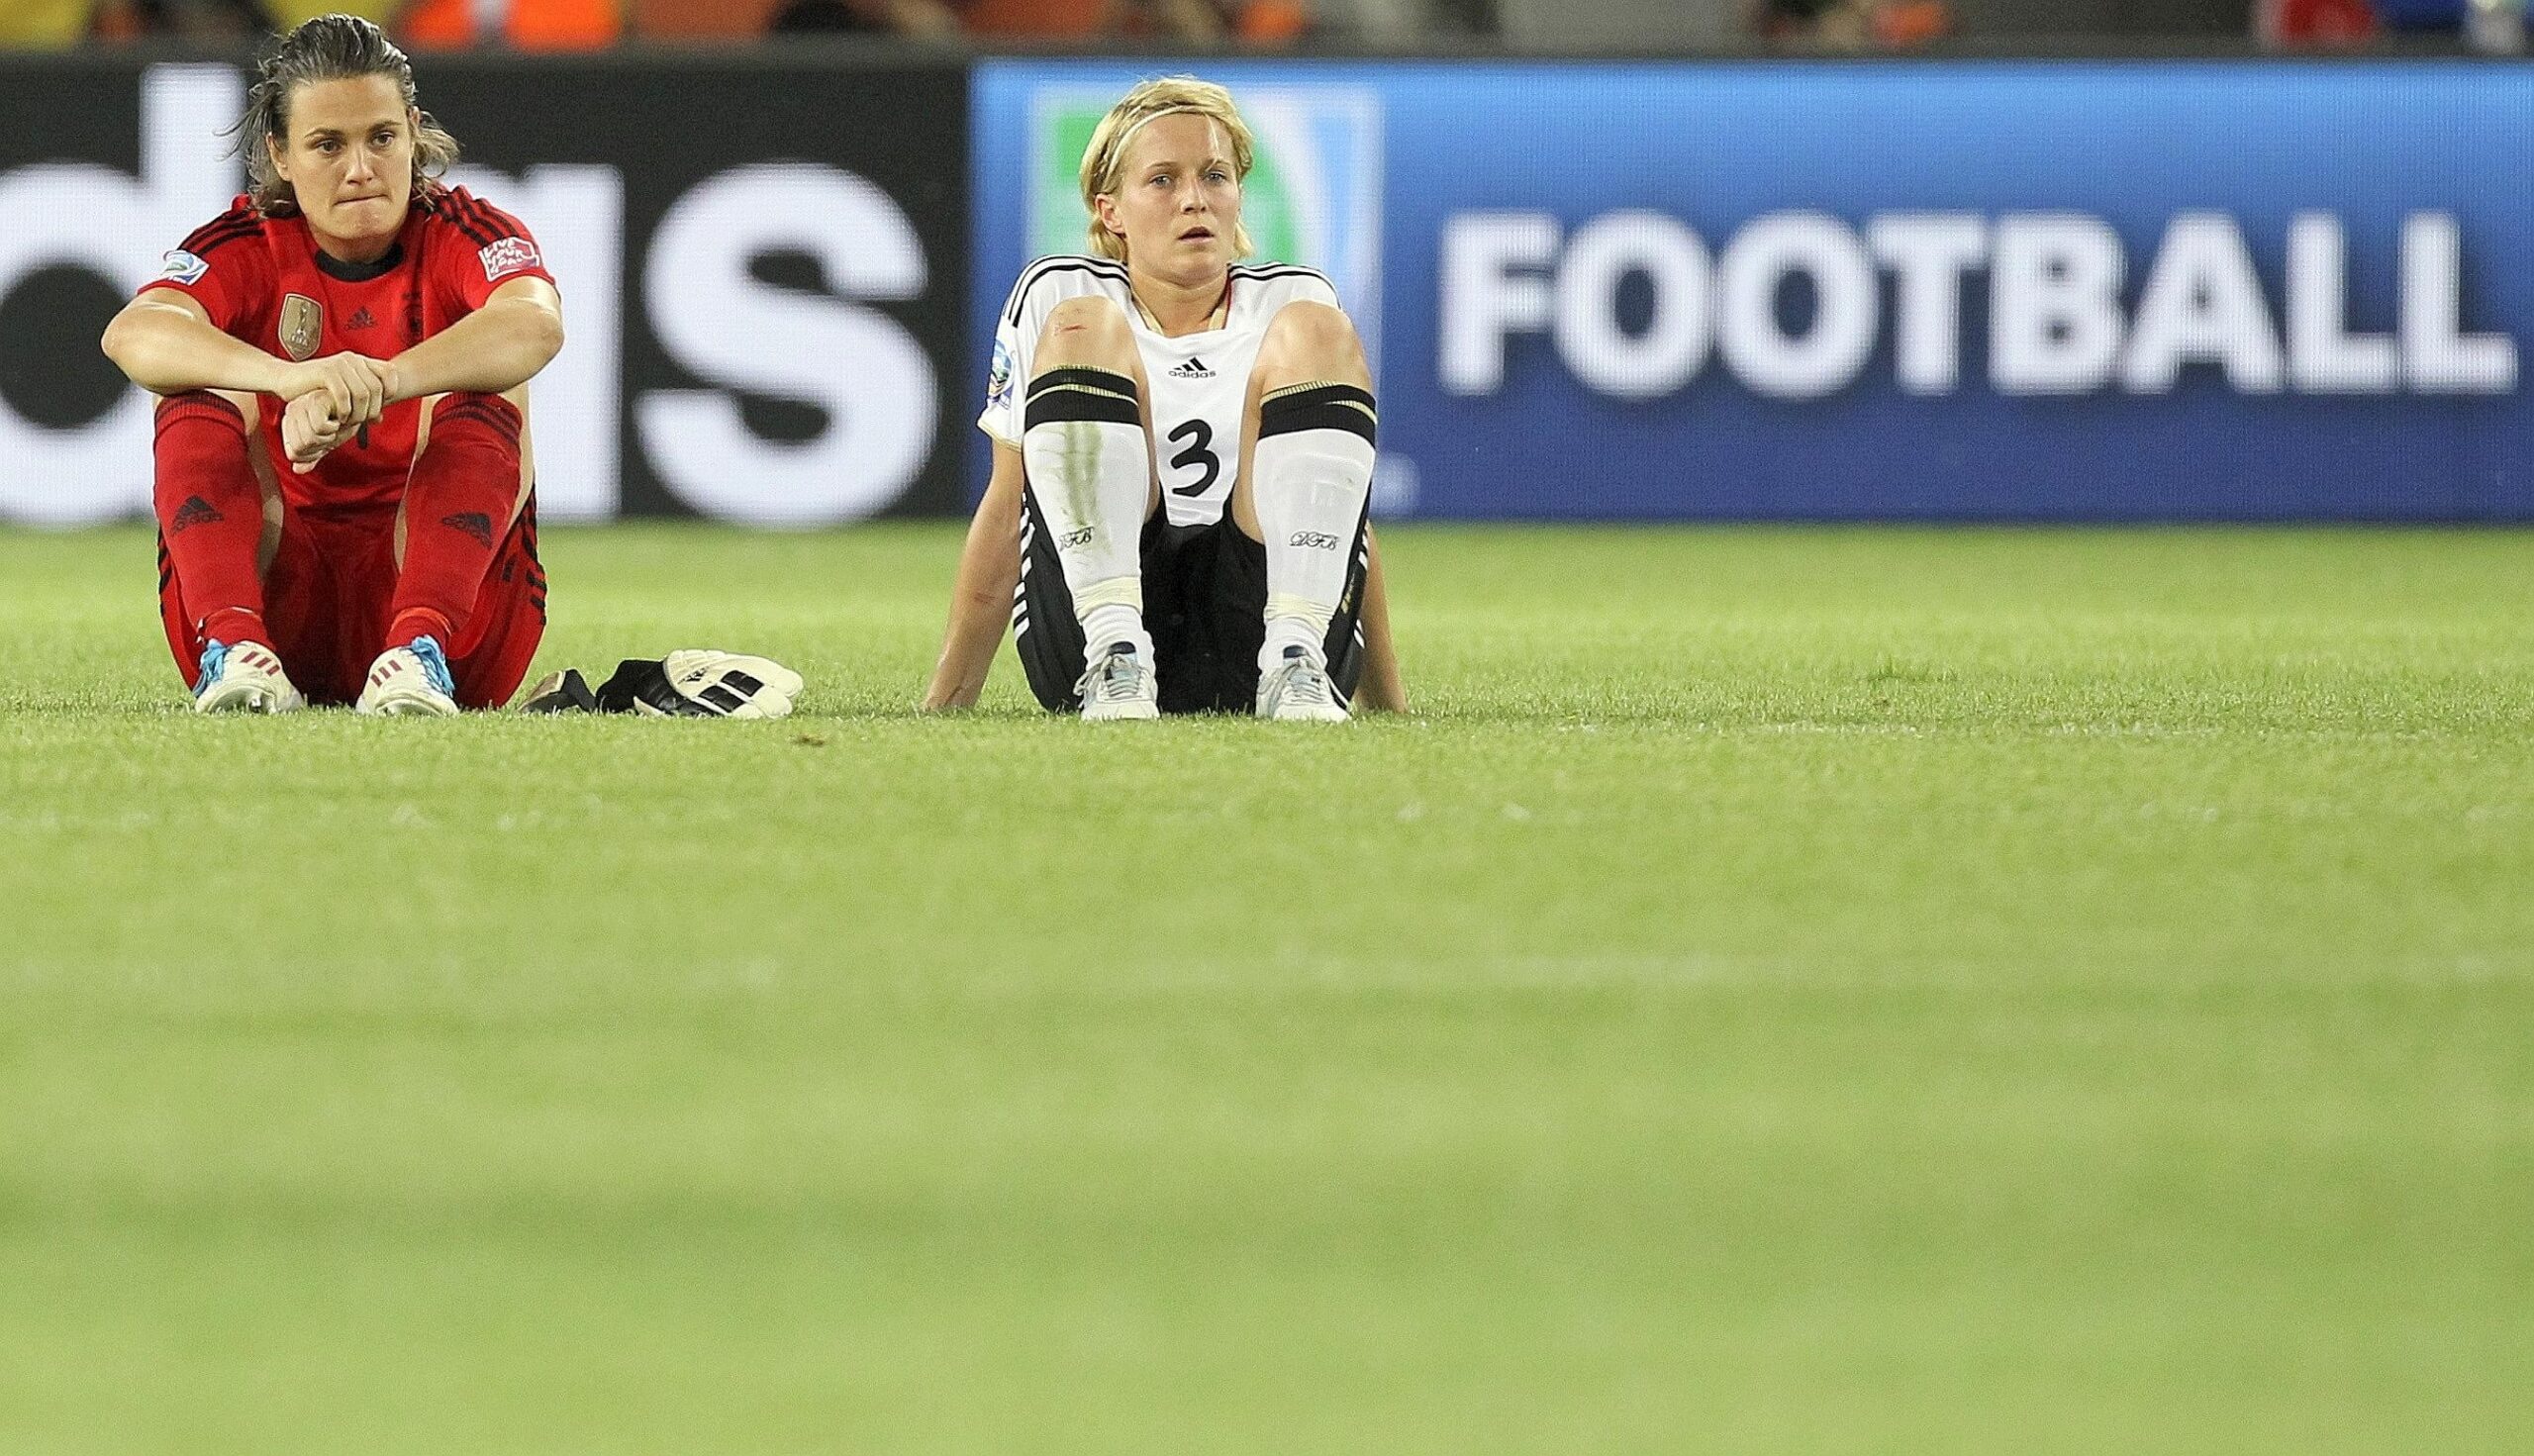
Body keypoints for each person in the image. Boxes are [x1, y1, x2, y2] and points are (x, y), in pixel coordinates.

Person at [102, 12, 564, 716]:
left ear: (412, 130)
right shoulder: (248, 244)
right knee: (193, 386)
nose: (359, 169)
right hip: (278, 615)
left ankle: (420, 648)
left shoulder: (464, 230)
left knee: (494, 384)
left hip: (460, 621)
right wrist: (291, 378)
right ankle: (231, 645)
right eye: (327, 145)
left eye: (381, 137)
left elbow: (534, 323)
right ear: (281, 155)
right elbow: (134, 334)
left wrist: (381, 380)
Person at [924, 75, 1405, 722]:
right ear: (1109, 210)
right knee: (1083, 324)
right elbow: (1010, 502)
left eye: (1215, 176)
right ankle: (1116, 653)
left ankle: (1298, 665)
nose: (1194, 201)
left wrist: (1392, 708)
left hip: (1257, 624)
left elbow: (1340, 516)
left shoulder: (1297, 301)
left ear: (1239, 196)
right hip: (1091, 631)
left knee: (1319, 330)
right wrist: (946, 704)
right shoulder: (1057, 291)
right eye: (1162, 180)